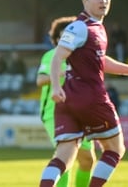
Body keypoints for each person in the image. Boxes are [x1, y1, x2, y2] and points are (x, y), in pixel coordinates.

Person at [38, 0, 128, 187]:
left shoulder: (94, 28)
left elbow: (100, 61)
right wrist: (54, 85)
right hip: (91, 98)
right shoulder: (81, 27)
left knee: (64, 157)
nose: (103, 0)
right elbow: (57, 57)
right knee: (116, 149)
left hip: (68, 100)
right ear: (85, 1)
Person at [37, 16, 96, 187]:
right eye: (63, 36)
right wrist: (58, 74)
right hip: (54, 113)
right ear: (56, 39)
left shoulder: (83, 57)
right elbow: (40, 80)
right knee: (66, 158)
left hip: (80, 112)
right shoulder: (51, 55)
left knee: (87, 160)